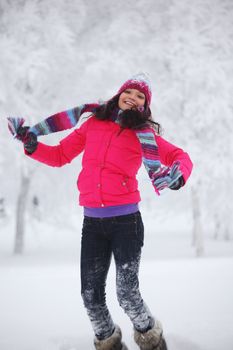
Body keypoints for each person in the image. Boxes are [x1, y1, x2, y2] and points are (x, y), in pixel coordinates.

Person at [9, 73, 193, 350]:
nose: (133, 97)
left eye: (140, 96)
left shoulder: (144, 135)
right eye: (129, 92)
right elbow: (60, 155)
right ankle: (109, 343)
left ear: (145, 105)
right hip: (93, 223)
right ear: (119, 94)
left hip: (126, 223)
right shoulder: (93, 124)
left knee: (127, 294)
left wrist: (177, 176)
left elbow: (181, 156)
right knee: (90, 295)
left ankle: (153, 341)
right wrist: (34, 148)